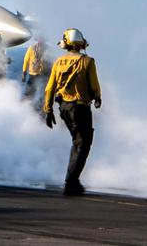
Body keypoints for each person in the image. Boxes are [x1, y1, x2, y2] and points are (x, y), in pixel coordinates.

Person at [43, 28, 101, 196]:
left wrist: (48, 110)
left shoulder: (58, 62)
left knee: (77, 141)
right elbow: (94, 85)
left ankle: (73, 180)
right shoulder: (88, 61)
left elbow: (49, 88)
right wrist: (97, 97)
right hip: (80, 108)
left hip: (64, 108)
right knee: (83, 143)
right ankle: (71, 182)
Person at [21, 38, 48, 104]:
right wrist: (24, 73)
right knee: (29, 91)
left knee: (42, 92)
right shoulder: (32, 48)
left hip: (43, 74)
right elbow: (26, 60)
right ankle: (26, 104)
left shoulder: (47, 49)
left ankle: (39, 105)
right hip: (33, 74)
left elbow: (50, 62)